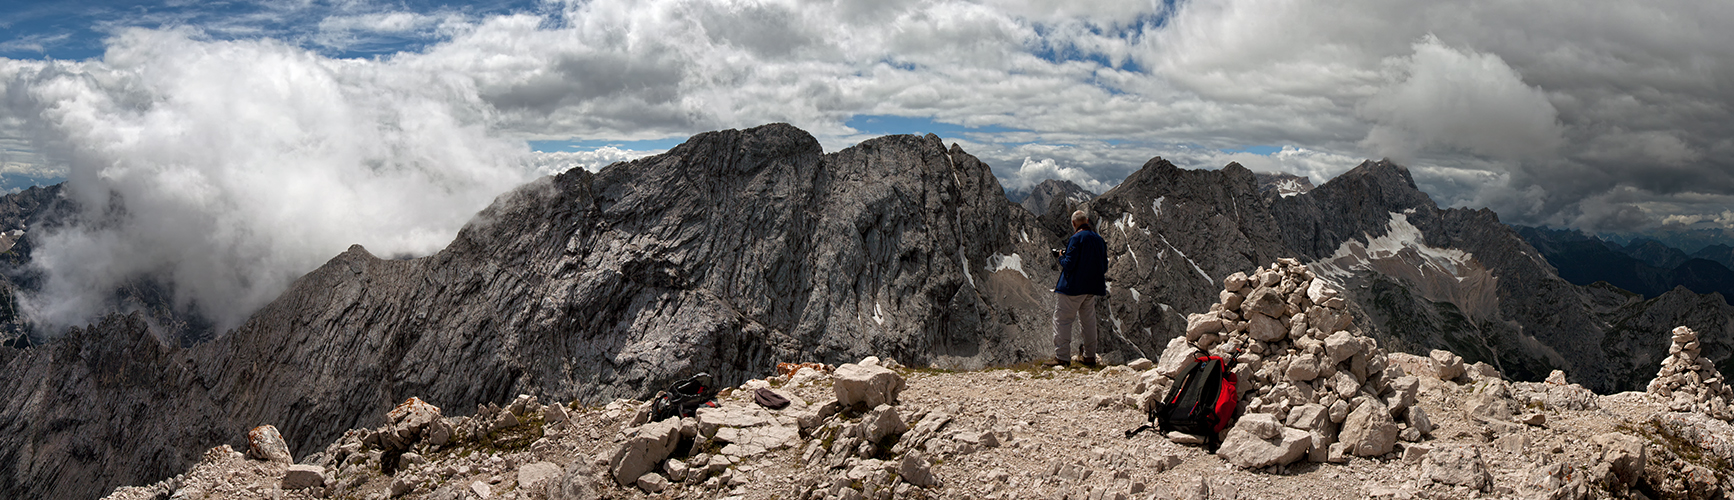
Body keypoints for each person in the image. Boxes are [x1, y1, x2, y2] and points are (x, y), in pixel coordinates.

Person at [1047, 210, 1108, 366]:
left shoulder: (1076, 238)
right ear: (1087, 220)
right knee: (1088, 321)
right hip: (1091, 288)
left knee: (1062, 320)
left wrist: (1061, 256)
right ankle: (1089, 357)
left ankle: (1062, 357)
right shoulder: (1099, 240)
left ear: (1073, 223)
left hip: (1073, 288)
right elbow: (1104, 266)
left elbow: (1069, 265)